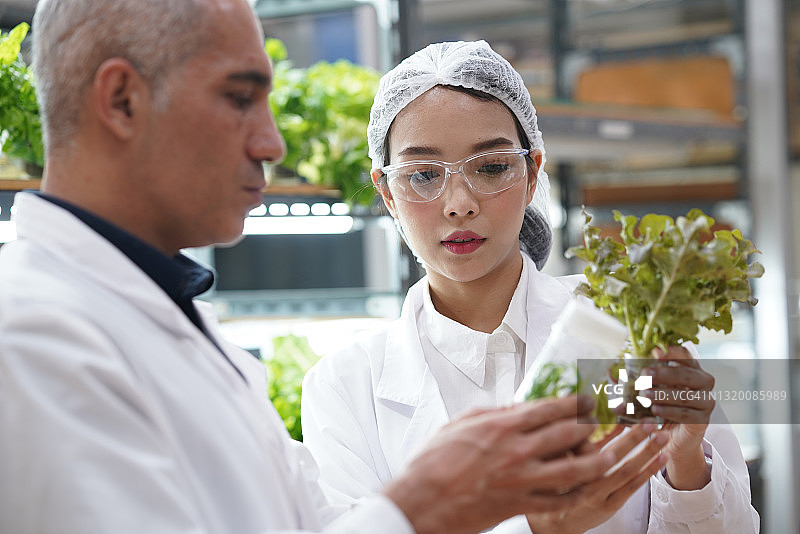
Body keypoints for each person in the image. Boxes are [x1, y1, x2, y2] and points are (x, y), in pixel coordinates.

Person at [0, 2, 658, 533]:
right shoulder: (29, 340)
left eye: (489, 167)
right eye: (238, 96)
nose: (273, 142)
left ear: (530, 169)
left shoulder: (170, 323)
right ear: (121, 101)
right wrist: (430, 508)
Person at [300, 40, 760, 533]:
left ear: (531, 171)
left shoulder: (622, 324)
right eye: (424, 175)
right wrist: (537, 528)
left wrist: (686, 464)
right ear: (388, 192)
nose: (459, 203)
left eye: (491, 167)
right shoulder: (345, 386)